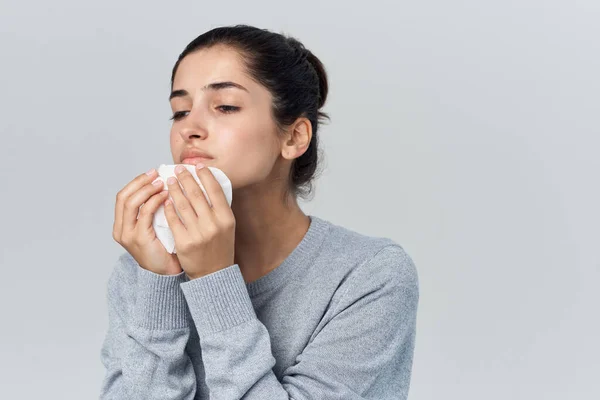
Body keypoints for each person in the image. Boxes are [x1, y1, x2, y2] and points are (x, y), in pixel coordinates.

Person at [100, 24, 419, 400]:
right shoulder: (144, 272)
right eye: (180, 111)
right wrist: (157, 284)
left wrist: (214, 280)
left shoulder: (370, 277)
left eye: (226, 107)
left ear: (294, 137)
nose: (191, 129)